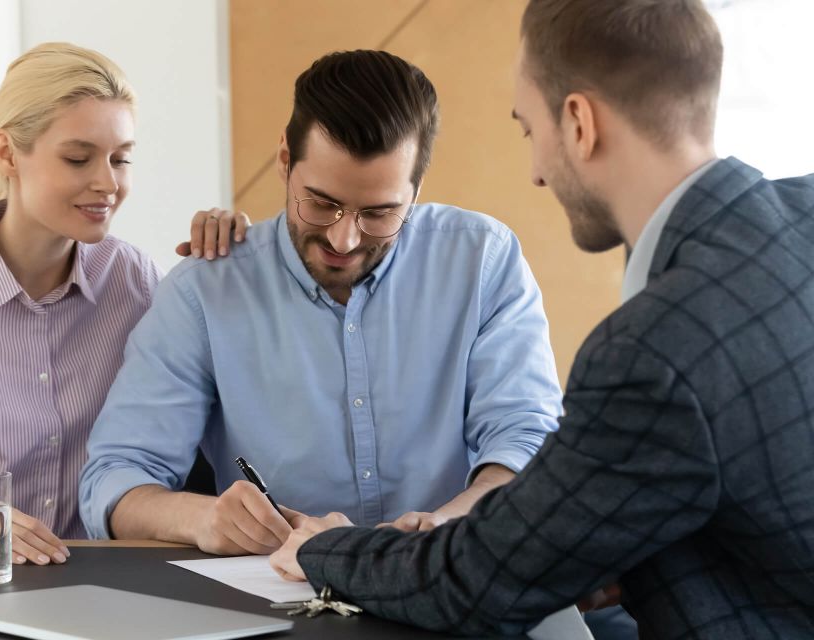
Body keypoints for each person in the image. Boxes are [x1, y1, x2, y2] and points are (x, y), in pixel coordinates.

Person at [268, 1, 814, 638]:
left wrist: (327, 549)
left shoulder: (653, 350)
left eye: (530, 130)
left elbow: (479, 583)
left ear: (579, 123)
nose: (534, 173)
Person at [79, 49, 563, 558]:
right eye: (322, 203)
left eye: (379, 213)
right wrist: (204, 517)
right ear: (285, 161)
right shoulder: (204, 291)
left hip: (453, 574)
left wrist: (445, 527)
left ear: (417, 188)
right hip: (278, 596)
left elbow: (526, 438)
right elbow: (114, 482)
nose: (344, 239)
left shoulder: (483, 260)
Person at [0, 42, 244, 563]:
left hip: (110, 581)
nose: (108, 183)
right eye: (78, 158)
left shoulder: (135, 281)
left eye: (121, 159)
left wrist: (234, 267)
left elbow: (220, 414)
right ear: (8, 152)